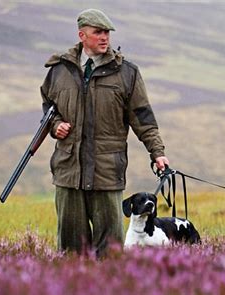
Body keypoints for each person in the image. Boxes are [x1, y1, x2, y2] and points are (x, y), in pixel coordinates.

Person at [40, 8, 169, 257]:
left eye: (107, 33)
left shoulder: (126, 73)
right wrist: (55, 125)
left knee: (109, 252)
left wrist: (158, 152)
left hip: (107, 172)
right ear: (82, 35)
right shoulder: (59, 71)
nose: (104, 38)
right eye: (98, 32)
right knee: (70, 252)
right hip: (69, 172)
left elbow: (143, 118)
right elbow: (48, 107)